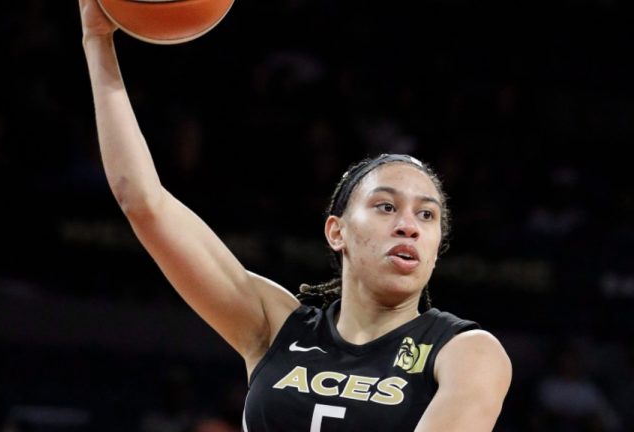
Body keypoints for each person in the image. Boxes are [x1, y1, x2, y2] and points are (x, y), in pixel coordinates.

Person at [77, 0, 512, 430]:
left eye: (428, 216)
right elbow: (144, 203)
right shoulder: (276, 326)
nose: (408, 225)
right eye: (385, 206)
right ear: (336, 231)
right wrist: (97, 41)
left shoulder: (464, 351)